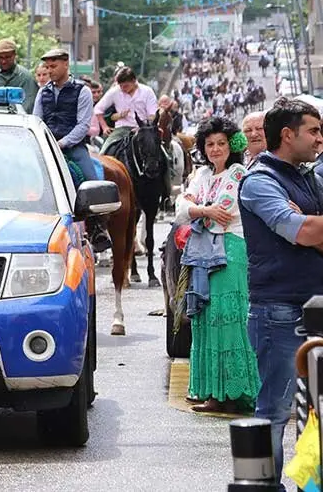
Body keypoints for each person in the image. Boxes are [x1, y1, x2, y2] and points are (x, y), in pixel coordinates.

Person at [238, 98, 323, 489]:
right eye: (314, 131)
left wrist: (310, 228)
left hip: (314, 308)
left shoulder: (308, 178)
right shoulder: (260, 182)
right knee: (275, 410)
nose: (320, 139)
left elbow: (310, 232)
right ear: (288, 135)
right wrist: (308, 229)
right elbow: (301, 231)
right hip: (280, 312)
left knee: (314, 410)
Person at [176, 116, 260, 414]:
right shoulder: (201, 174)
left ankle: (234, 392)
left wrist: (197, 210)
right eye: (210, 144)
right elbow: (180, 210)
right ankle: (214, 391)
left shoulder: (238, 173)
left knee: (229, 319)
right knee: (207, 320)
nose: (215, 149)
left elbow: (221, 213)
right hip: (203, 252)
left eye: (221, 143)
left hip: (230, 250)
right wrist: (201, 210)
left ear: (231, 145)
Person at [33, 49, 111, 252]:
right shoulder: (43, 92)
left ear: (66, 64)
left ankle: (97, 229)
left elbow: (83, 125)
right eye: (47, 67)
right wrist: (46, 142)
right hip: (47, 146)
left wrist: (62, 143)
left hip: (73, 146)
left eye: (53, 66)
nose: (50, 71)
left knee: (90, 179)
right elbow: (37, 119)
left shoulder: (82, 91)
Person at [95, 66, 158, 156]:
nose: (123, 88)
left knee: (157, 151)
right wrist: (104, 127)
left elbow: (152, 114)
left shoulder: (147, 91)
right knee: (103, 153)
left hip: (144, 129)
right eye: (121, 86)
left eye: (126, 86)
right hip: (122, 129)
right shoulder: (115, 92)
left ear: (134, 80)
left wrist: (142, 127)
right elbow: (98, 109)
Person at [0, 39, 38, 113]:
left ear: (14, 55)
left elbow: (30, 104)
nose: (4, 61)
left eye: (7, 57)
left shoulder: (26, 77)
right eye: (0, 57)